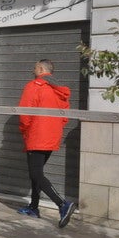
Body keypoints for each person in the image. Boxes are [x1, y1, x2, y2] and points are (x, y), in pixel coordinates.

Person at [17, 59, 77, 228]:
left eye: (34, 66)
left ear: (41, 69)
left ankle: (62, 204)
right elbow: (64, 116)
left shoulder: (34, 86)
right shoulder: (59, 90)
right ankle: (34, 208)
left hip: (36, 136)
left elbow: (24, 114)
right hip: (52, 137)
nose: (32, 69)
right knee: (36, 173)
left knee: (36, 174)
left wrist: (24, 130)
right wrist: (53, 129)